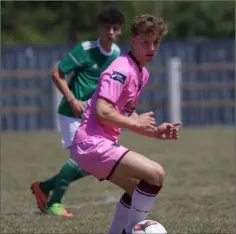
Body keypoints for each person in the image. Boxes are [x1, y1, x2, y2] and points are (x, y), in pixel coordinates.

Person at [69, 14, 181, 234]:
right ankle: (132, 230)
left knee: (137, 191)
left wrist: (154, 133)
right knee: (156, 174)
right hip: (92, 144)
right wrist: (135, 123)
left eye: (156, 42)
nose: (151, 47)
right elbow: (102, 111)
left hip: (95, 145)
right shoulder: (121, 69)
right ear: (133, 41)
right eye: (145, 42)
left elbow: (124, 111)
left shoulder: (141, 72)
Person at [30, 7, 125, 217]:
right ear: (101, 28)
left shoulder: (117, 54)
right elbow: (56, 72)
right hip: (70, 113)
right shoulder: (85, 49)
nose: (110, 32)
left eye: (115, 28)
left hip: (91, 116)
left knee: (94, 163)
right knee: (83, 159)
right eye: (107, 27)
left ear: (119, 31)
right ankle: (53, 203)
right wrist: (72, 99)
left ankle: (44, 188)